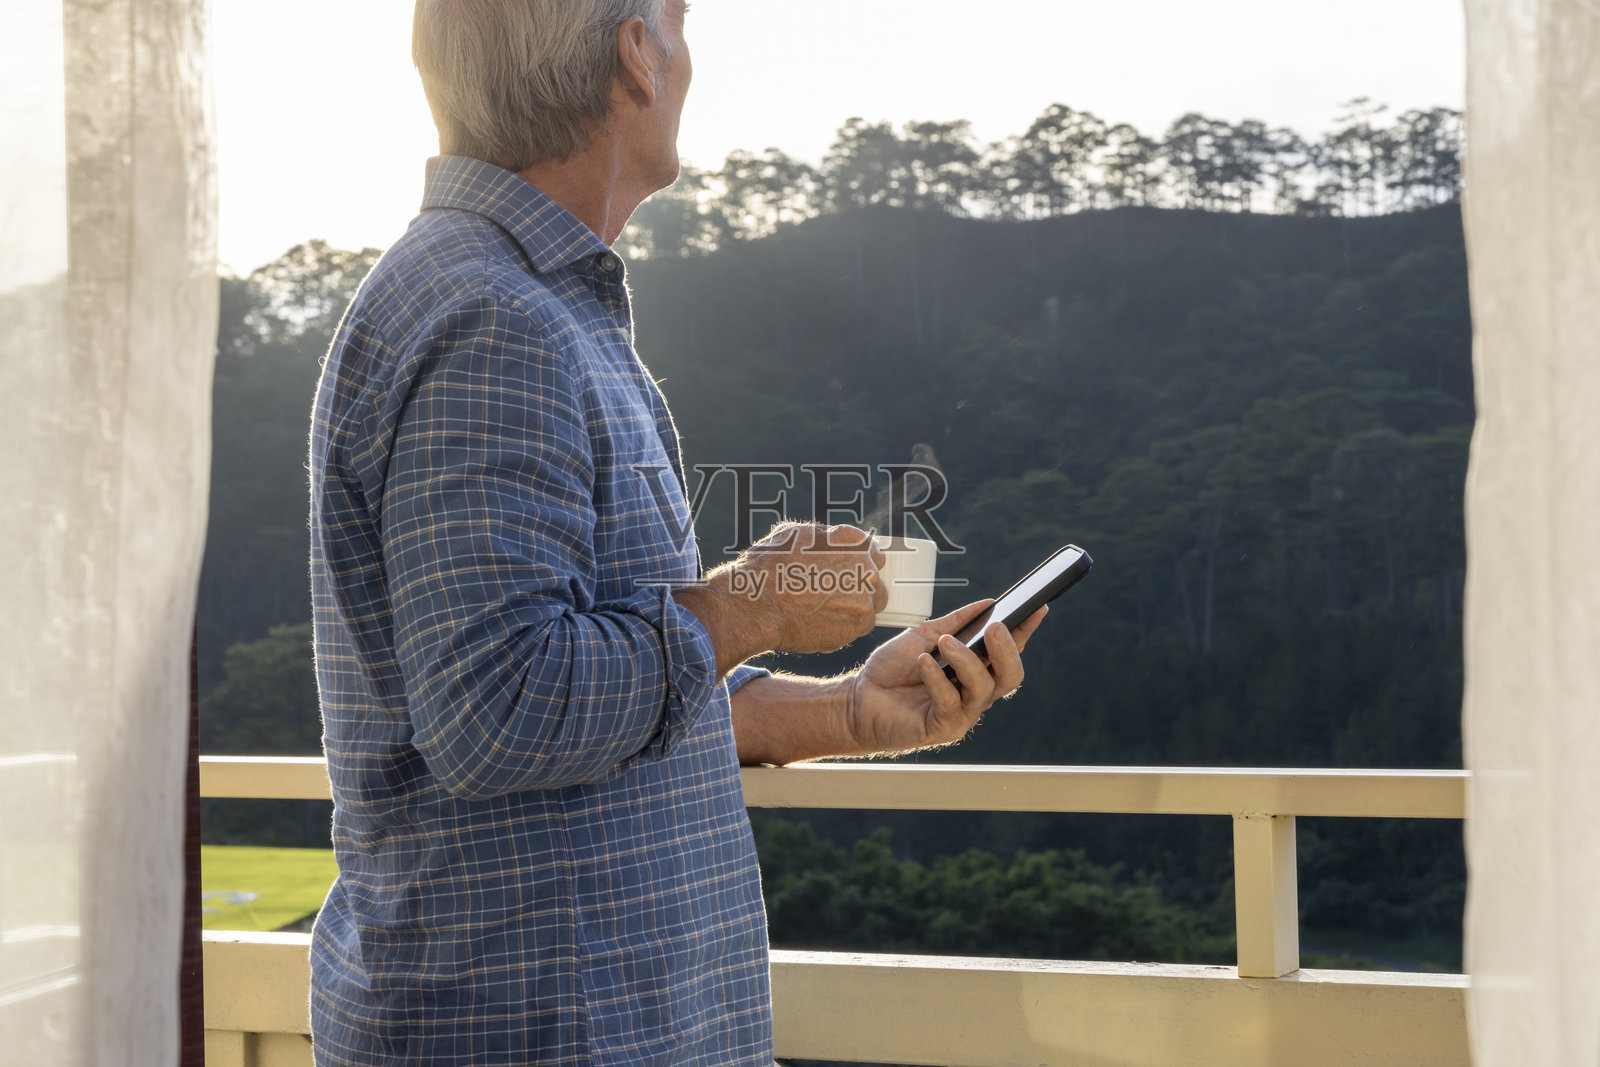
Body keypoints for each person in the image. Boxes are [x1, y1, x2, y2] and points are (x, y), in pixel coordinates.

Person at [307, 1, 1045, 1063]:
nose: (688, 53)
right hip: (550, 1031)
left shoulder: (511, 302)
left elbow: (599, 677)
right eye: (679, 21)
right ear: (635, 54)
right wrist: (751, 603)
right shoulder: (496, 320)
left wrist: (846, 709)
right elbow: (501, 709)